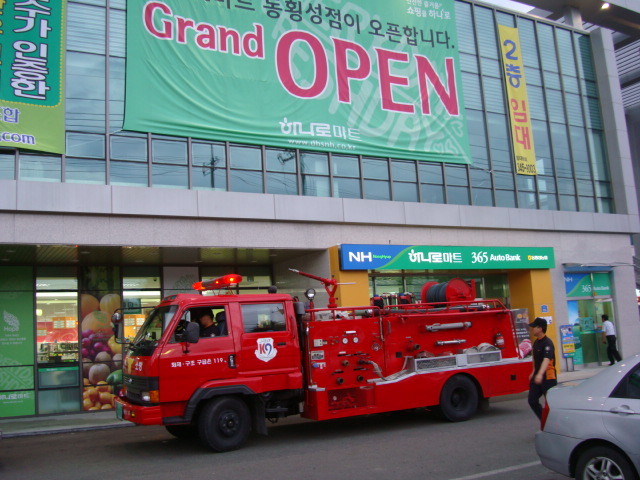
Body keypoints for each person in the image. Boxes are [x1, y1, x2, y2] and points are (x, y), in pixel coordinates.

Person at [527, 317, 557, 420]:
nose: (532, 329)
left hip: (548, 377)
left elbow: (546, 359)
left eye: (534, 327)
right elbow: (536, 360)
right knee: (532, 400)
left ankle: (553, 423)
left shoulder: (548, 343)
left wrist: (540, 374)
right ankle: (544, 420)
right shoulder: (536, 343)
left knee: (551, 403)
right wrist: (533, 372)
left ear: (540, 329)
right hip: (537, 376)